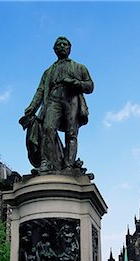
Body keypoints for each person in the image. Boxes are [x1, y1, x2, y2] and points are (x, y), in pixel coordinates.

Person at [19, 36, 94, 172]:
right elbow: (40, 90)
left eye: (65, 44)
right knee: (47, 129)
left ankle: (68, 165)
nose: (62, 46)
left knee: (71, 133)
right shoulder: (48, 72)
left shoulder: (79, 67)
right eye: (59, 45)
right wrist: (32, 106)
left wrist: (75, 83)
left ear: (70, 48)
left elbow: (90, 86)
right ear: (54, 50)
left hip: (71, 99)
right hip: (53, 100)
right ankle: (46, 163)